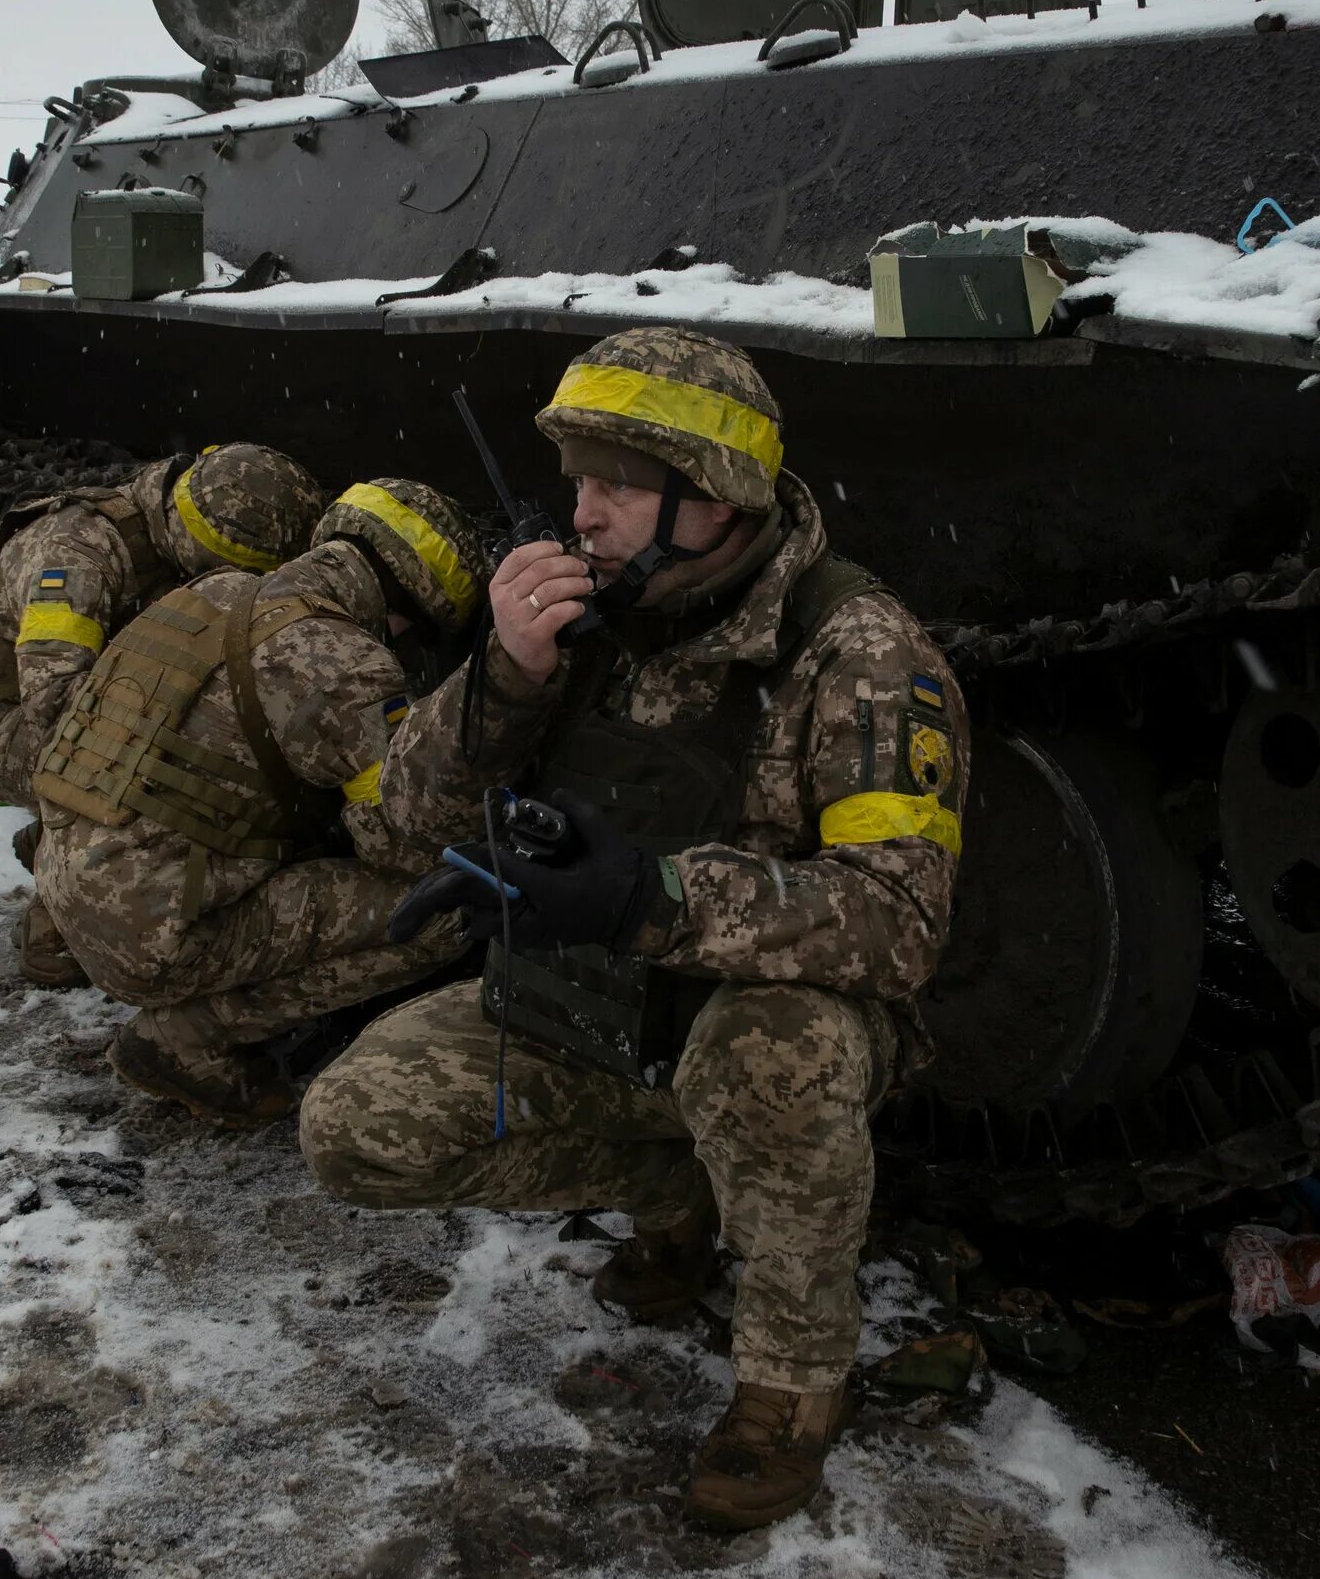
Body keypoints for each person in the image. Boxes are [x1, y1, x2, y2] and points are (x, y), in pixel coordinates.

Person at [296, 328, 971, 1531]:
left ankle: (791, 1377)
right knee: (354, 1129)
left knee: (771, 1050)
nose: (582, 512)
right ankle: (691, 1191)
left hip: (758, 1021)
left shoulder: (858, 653)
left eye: (615, 481)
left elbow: (901, 921)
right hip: (598, 1007)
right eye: (574, 480)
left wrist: (648, 897)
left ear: (710, 496)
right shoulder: (589, 614)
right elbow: (403, 823)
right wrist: (505, 676)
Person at [32, 478, 491, 1123]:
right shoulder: (342, 661)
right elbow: (401, 845)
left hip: (67, 883)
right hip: (149, 936)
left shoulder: (212, 591)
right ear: (402, 608)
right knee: (442, 911)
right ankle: (189, 1038)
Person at [0, 443, 327, 985]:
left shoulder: (163, 520)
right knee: (173, 777)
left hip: (91, 702)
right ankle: (62, 914)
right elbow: (53, 705)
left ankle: (69, 849)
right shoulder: (75, 554)